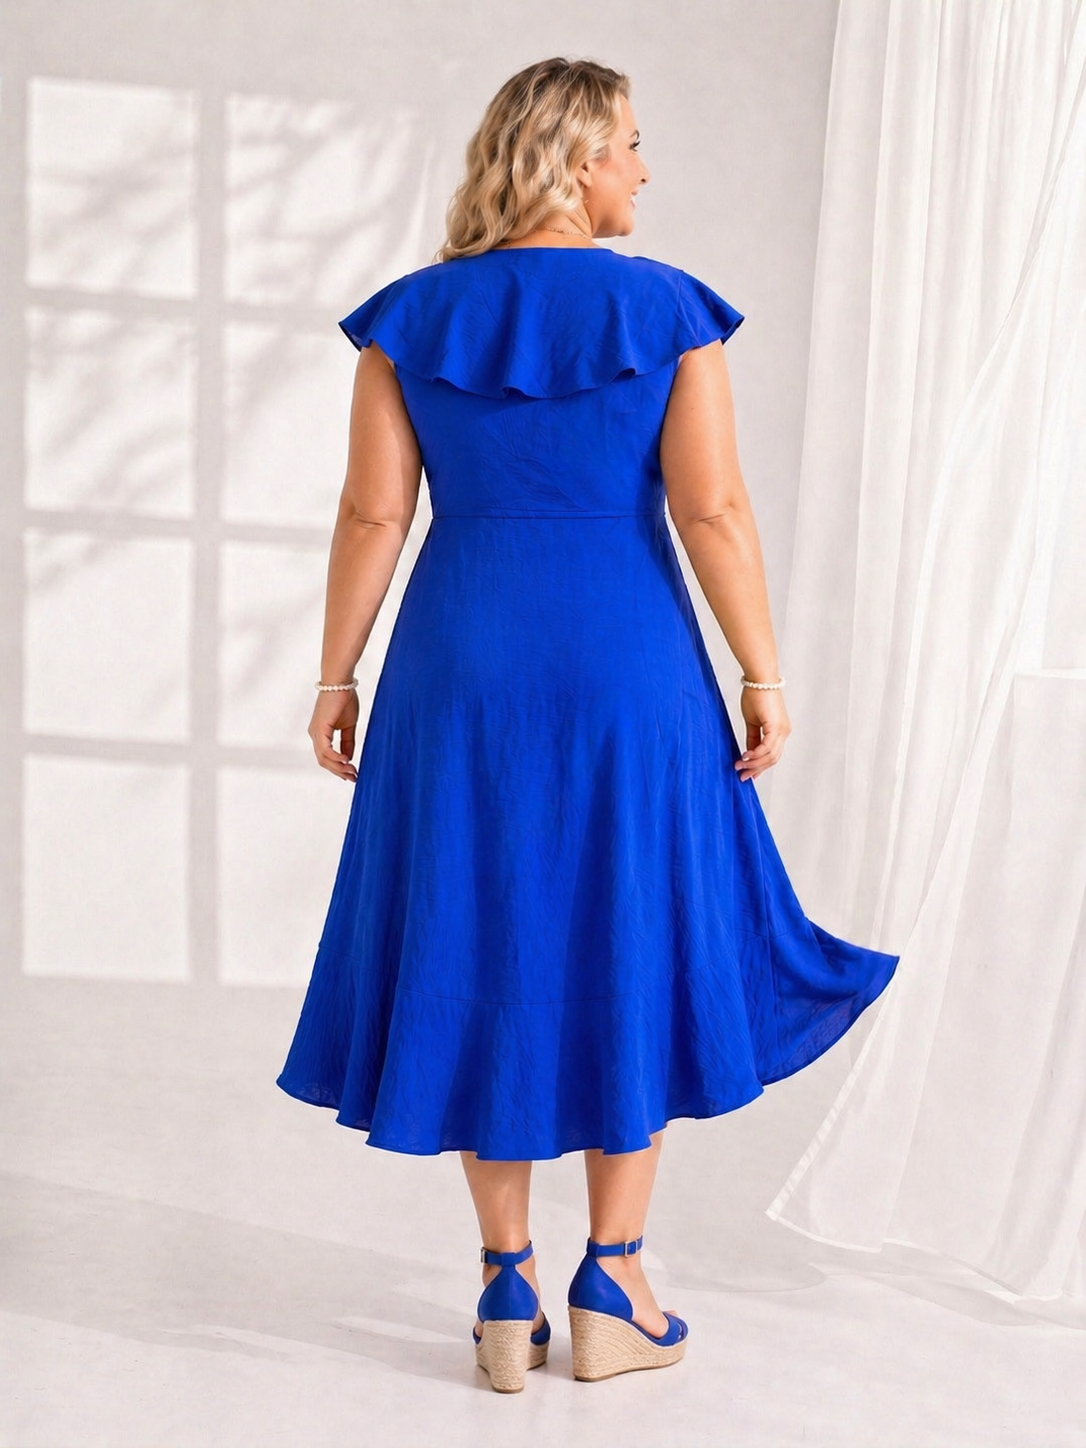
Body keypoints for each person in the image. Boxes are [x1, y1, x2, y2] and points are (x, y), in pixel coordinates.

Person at [276, 56, 899, 1392]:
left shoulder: (410, 318)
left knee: (477, 927)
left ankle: (505, 1288)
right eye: (628, 144)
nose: (643, 169)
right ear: (572, 160)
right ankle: (613, 1278)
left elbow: (375, 512)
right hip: (627, 661)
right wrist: (763, 673)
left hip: (460, 662)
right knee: (631, 926)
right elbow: (710, 509)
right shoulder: (666, 310)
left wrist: (336, 677)